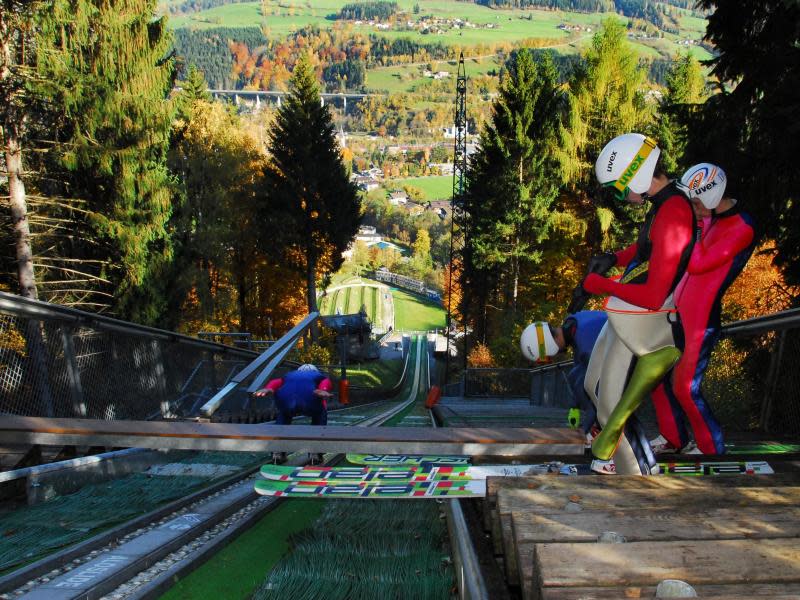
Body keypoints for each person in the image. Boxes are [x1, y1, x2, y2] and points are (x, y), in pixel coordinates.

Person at [578, 133, 697, 475]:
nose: (621, 197)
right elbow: (646, 247)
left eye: (619, 188)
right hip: (629, 316)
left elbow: (654, 294)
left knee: (612, 403)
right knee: (593, 387)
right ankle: (626, 469)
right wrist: (614, 258)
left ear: (638, 174)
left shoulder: (673, 212)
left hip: (648, 324)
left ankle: (637, 475)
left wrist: (600, 284)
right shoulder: (663, 204)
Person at [649, 163, 756, 455]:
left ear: (709, 197)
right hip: (678, 313)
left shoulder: (741, 226)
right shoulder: (713, 217)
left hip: (701, 320)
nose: (692, 208)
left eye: (695, 203)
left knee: (685, 388)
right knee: (656, 378)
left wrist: (695, 225)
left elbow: (697, 264)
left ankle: (711, 448)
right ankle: (674, 438)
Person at [520, 312, 657, 472]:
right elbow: (582, 375)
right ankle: (622, 446)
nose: (552, 357)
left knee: (611, 407)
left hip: (639, 355)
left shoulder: (586, 345)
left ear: (547, 346)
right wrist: (575, 408)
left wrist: (585, 430)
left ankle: (621, 457)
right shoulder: (573, 326)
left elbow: (598, 391)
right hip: (635, 350)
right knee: (576, 374)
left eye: (547, 356)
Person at [254, 363, 334, 464]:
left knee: (284, 414)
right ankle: (315, 452)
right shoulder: (317, 376)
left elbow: (276, 381)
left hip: (287, 399)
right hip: (309, 398)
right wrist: (323, 390)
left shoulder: (290, 375)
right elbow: (325, 381)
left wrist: (269, 388)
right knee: (320, 414)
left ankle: (277, 451)